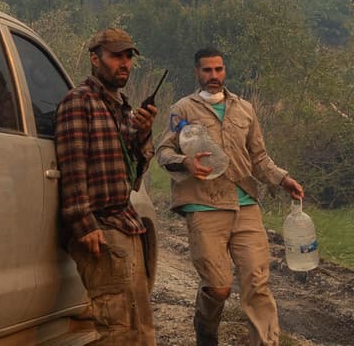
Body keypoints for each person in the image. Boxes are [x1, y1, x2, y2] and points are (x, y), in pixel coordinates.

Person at [157, 48, 304, 346]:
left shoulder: (245, 109)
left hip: (246, 205)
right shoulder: (182, 110)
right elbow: (163, 153)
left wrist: (283, 179)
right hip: (204, 205)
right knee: (219, 286)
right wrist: (186, 163)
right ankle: (206, 331)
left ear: (225, 71)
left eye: (219, 69)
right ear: (197, 73)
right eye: (207, 70)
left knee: (257, 282)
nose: (214, 76)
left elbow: (259, 158)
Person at [55, 27, 158, 345]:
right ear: (95, 59)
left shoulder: (121, 108)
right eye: (116, 56)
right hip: (100, 226)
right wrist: (84, 224)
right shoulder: (79, 102)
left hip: (125, 224)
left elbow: (135, 173)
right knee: (117, 330)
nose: (124, 63)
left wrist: (143, 133)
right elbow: (72, 167)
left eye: (128, 56)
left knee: (140, 327)